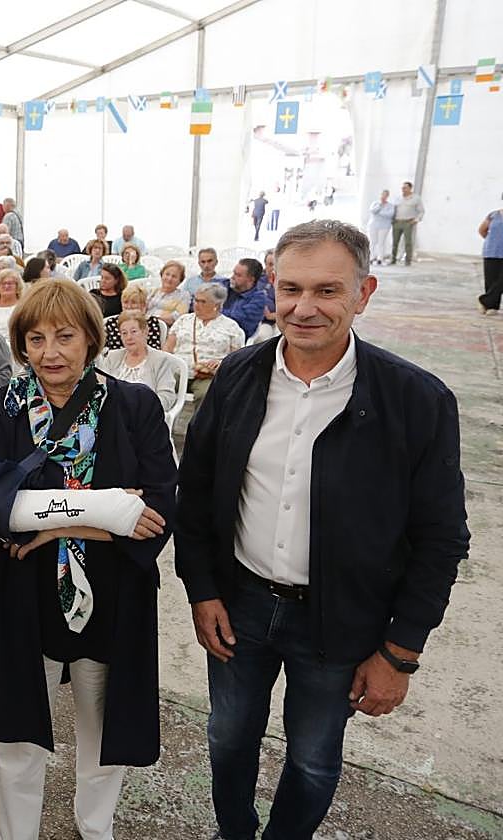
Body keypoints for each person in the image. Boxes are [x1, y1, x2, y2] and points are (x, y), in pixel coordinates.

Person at [175, 219, 470, 840]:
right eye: (291, 289)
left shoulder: (416, 401)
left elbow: (442, 538)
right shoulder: (237, 377)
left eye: (327, 291)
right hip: (240, 605)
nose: (303, 308)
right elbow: (196, 493)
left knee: (312, 759)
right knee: (227, 737)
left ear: (365, 293)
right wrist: (202, 589)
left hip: (341, 620)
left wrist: (400, 651)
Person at [0, 278, 173, 840]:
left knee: (102, 729)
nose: (50, 353)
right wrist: (109, 510)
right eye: (35, 339)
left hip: (112, 592)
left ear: (89, 339)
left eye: (64, 336)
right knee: (17, 735)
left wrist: (55, 526)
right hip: (24, 593)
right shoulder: (7, 408)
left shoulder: (133, 406)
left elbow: (158, 509)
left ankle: (95, 826)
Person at [163, 283, 244, 404]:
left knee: (206, 395)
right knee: (161, 386)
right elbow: (167, 349)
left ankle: (202, 417)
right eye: (196, 300)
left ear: (216, 305)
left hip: (208, 375)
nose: (197, 304)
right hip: (179, 370)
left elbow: (237, 359)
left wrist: (220, 363)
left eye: (203, 302)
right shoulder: (183, 320)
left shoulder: (231, 327)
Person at [97, 311, 179, 411]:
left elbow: (167, 397)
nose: (129, 337)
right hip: (115, 413)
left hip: (145, 414)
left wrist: (143, 411)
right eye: (124, 333)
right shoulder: (112, 357)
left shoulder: (161, 360)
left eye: (134, 331)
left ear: (145, 332)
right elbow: (101, 389)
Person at [220, 258, 270, 340]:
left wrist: (215, 311)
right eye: (234, 273)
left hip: (235, 339)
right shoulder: (224, 285)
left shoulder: (259, 298)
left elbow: (238, 321)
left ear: (251, 280)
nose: (232, 277)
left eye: (238, 275)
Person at [104, 285, 161, 350]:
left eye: (133, 302)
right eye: (126, 302)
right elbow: (105, 350)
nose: (129, 306)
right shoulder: (112, 322)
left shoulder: (151, 322)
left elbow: (155, 349)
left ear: (143, 305)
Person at [478, 198, 503, 314]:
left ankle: (484, 301)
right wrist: (492, 242)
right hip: (492, 251)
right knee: (491, 280)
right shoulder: (493, 215)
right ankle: (491, 307)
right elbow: (482, 230)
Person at [147, 260, 191, 325]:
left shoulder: (183, 295)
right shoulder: (152, 291)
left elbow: (179, 317)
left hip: (166, 327)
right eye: (167, 274)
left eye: (174, 276)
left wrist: (154, 318)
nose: (169, 278)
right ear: (162, 275)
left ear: (180, 280)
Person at [391, 181, 424, 265]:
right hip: (397, 222)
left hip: (408, 223)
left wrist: (416, 220)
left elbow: (421, 211)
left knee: (408, 242)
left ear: (410, 188)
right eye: (402, 188)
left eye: (405, 188)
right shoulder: (398, 198)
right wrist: (392, 220)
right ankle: (393, 259)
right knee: (395, 242)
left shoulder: (416, 198)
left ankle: (408, 260)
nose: (403, 189)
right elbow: (393, 209)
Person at [0, 269, 24, 339]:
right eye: (3, 283)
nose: (6, 286)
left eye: (10, 283)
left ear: (17, 287)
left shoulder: (22, 308)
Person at [366, 190, 395, 265]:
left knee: (381, 242)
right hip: (373, 225)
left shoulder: (390, 206)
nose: (384, 196)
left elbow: (390, 215)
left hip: (384, 226)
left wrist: (379, 213)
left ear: (387, 196)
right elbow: (373, 211)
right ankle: (371, 257)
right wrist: (380, 205)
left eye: (385, 195)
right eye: (383, 194)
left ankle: (380, 258)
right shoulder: (375, 203)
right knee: (372, 242)